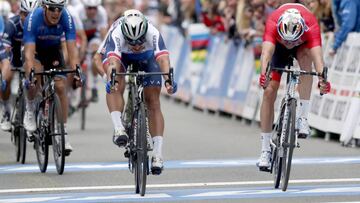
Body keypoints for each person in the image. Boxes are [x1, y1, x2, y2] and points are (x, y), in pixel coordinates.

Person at [257, 3, 331, 170]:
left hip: (302, 46)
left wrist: (323, 80)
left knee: (307, 60)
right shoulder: (273, 22)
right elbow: (266, 54)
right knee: (269, 92)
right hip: (278, 49)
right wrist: (264, 76)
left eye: (292, 41)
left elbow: (318, 59)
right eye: (286, 40)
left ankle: (303, 118)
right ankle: (265, 150)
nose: (289, 44)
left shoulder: (310, 23)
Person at [103, 9, 177, 174]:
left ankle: (157, 155)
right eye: (132, 41)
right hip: (123, 57)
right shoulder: (116, 33)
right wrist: (111, 80)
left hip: (148, 58)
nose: (136, 45)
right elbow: (113, 62)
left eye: (140, 41)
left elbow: (163, 59)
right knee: (116, 82)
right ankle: (119, 128)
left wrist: (168, 81)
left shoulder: (153, 31)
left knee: (153, 101)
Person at [23, 0, 82, 154]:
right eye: (53, 9)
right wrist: (30, 73)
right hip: (34, 49)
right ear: (44, 8)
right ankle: (30, 109)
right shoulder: (33, 19)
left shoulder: (66, 18)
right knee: (33, 76)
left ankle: (63, 133)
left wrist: (76, 71)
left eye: (59, 9)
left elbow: (72, 49)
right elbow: (28, 53)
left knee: (60, 87)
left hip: (53, 50)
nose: (56, 13)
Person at [0, 0, 39, 131]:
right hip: (14, 57)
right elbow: (4, 50)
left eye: (31, 14)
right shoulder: (12, 24)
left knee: (38, 77)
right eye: (25, 14)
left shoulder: (39, 25)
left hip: (32, 57)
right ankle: (6, 111)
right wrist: (5, 73)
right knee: (6, 78)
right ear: (20, 13)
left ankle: (36, 111)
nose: (28, 18)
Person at [75, 0, 108, 102]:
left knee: (95, 51)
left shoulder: (102, 12)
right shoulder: (77, 11)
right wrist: (81, 51)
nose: (93, 11)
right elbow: (78, 35)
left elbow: (103, 33)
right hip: (80, 34)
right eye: (89, 8)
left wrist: (103, 50)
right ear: (84, 7)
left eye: (95, 8)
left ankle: (94, 86)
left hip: (94, 35)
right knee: (78, 51)